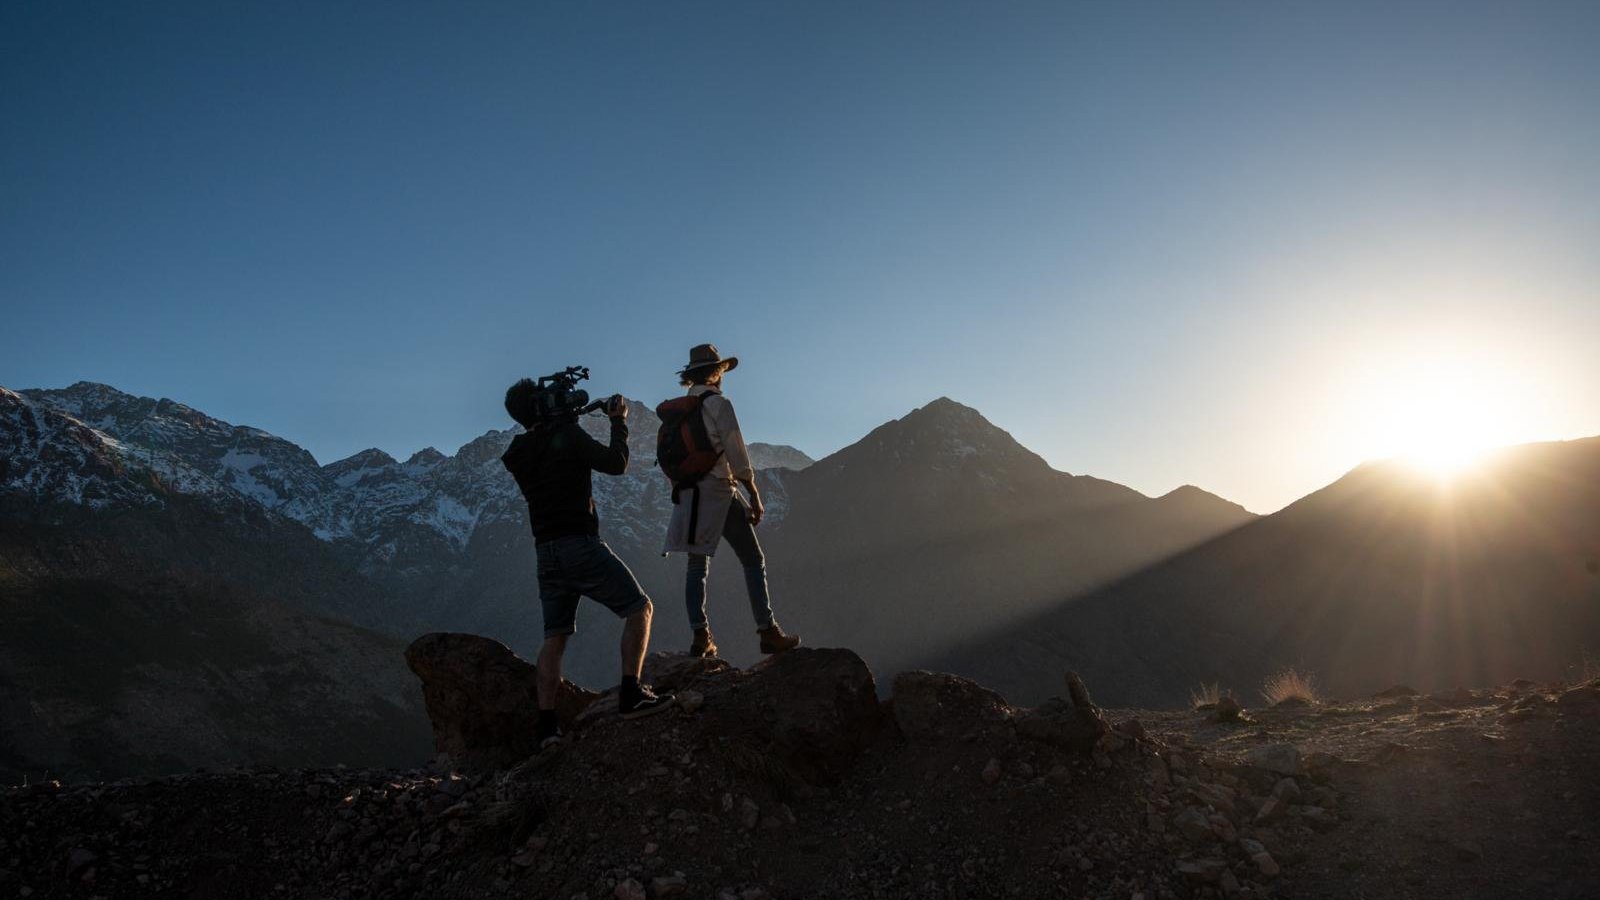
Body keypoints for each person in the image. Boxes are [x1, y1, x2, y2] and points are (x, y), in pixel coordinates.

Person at [501, 376, 674, 749]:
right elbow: (616, 463)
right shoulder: (566, 437)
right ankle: (632, 694)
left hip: (544, 553)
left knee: (555, 637)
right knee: (639, 608)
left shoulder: (518, 452)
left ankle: (547, 728)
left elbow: (542, 446)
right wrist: (618, 422)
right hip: (578, 544)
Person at [661, 344, 801, 658]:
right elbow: (736, 452)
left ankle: (700, 636)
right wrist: (753, 492)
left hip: (688, 498)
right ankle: (767, 631)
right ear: (715, 372)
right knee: (753, 560)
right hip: (719, 494)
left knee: (696, 568)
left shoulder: (677, 410)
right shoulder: (718, 405)